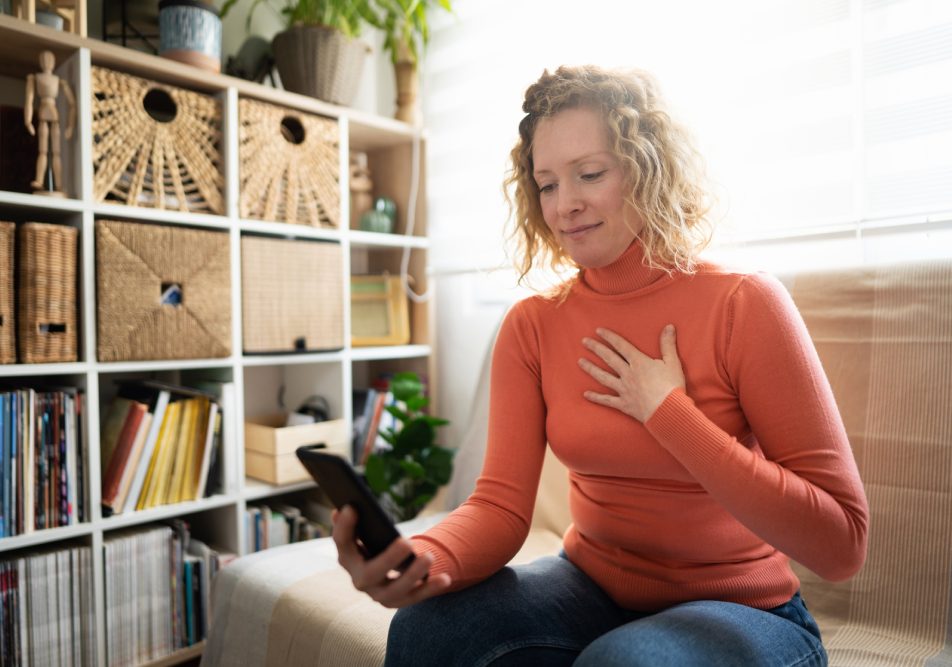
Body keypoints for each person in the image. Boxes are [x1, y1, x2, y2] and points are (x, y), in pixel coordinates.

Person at [332, 65, 869, 666]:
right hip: (592, 591)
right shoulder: (533, 325)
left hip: (749, 612)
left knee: (625, 662)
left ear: (647, 169)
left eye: (590, 174)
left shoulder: (744, 303)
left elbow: (841, 543)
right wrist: (424, 558)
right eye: (547, 184)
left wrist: (669, 413)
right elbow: (500, 507)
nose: (566, 205)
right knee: (427, 629)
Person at [25, 49, 76, 196]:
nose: (47, 62)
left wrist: (71, 125)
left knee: (55, 152)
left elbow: (73, 104)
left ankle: (59, 184)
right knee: (43, 150)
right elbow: (29, 100)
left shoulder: (59, 80)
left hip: (54, 116)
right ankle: (39, 180)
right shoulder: (35, 78)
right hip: (43, 114)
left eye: (50, 59)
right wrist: (28, 121)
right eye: (44, 59)